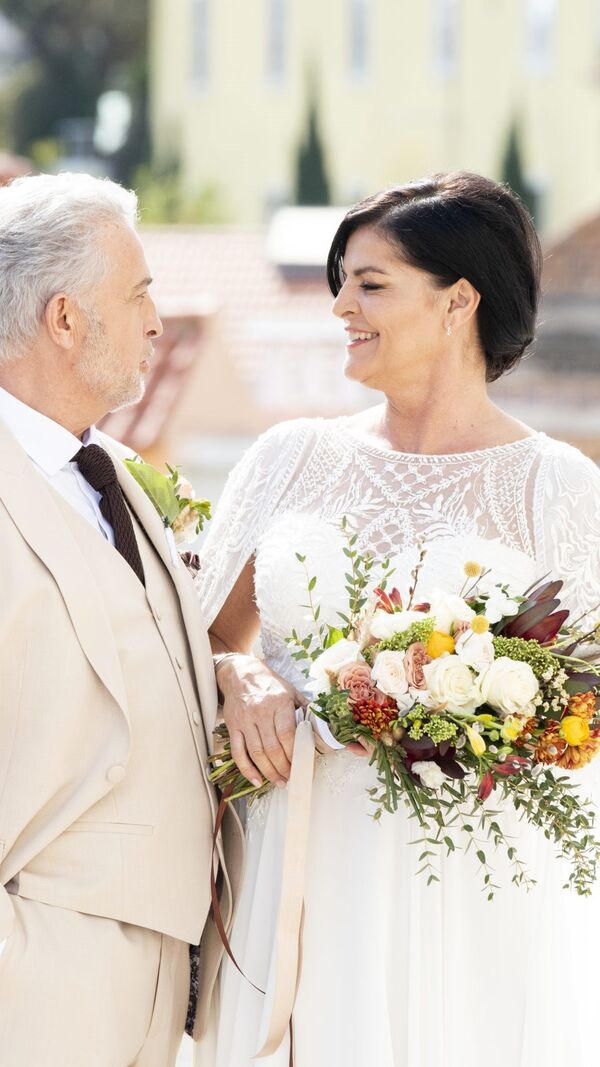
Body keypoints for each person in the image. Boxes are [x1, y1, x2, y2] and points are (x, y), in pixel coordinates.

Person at [197, 172, 600, 1067]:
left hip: (475, 892)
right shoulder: (289, 457)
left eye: (370, 283)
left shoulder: (559, 489)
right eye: (341, 282)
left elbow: (587, 709)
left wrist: (472, 707)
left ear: (459, 301)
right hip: (299, 865)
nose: (341, 305)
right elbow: (201, 637)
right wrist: (240, 673)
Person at [0, 172, 241, 1066]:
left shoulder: (114, 474)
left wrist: (234, 670)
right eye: (138, 293)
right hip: (38, 968)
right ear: (65, 318)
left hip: (162, 976)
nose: (156, 322)